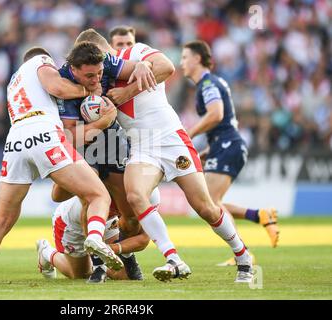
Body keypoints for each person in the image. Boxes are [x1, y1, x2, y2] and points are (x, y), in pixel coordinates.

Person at [76, 29, 254, 283]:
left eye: (97, 63)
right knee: (135, 195)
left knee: (206, 208)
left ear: (103, 52)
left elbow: (167, 67)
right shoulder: (98, 83)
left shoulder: (134, 53)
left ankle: (243, 256)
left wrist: (126, 93)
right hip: (142, 147)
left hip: (171, 139)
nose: (95, 72)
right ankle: (174, 259)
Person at [0, 47, 124, 285]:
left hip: (15, 140)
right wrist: (88, 90)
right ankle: (96, 239)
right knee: (97, 194)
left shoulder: (13, 83)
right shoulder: (39, 60)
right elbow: (56, 87)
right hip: (44, 132)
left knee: (3, 219)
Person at [55, 41, 162, 282]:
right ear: (74, 69)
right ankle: (93, 262)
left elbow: (149, 67)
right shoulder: (62, 84)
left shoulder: (107, 62)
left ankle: (114, 252)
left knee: (132, 220)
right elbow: (70, 139)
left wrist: (143, 65)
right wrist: (102, 123)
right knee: (73, 198)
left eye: (100, 74)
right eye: (89, 76)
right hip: (84, 150)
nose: (96, 80)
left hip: (113, 147)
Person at [179, 40, 279, 266]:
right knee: (210, 203)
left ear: (197, 58)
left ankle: (243, 253)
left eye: (185, 57)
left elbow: (216, 114)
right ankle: (260, 216)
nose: (181, 62)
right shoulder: (209, 84)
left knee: (209, 203)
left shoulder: (207, 85)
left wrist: (189, 133)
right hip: (223, 145)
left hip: (228, 145)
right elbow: (223, 122)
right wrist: (209, 149)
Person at [36, 189, 160, 282]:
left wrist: (108, 249)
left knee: (123, 276)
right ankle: (47, 252)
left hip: (108, 220)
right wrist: (97, 256)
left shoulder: (150, 193)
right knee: (80, 274)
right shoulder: (103, 189)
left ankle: (125, 257)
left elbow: (144, 239)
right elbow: (86, 223)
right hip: (72, 222)